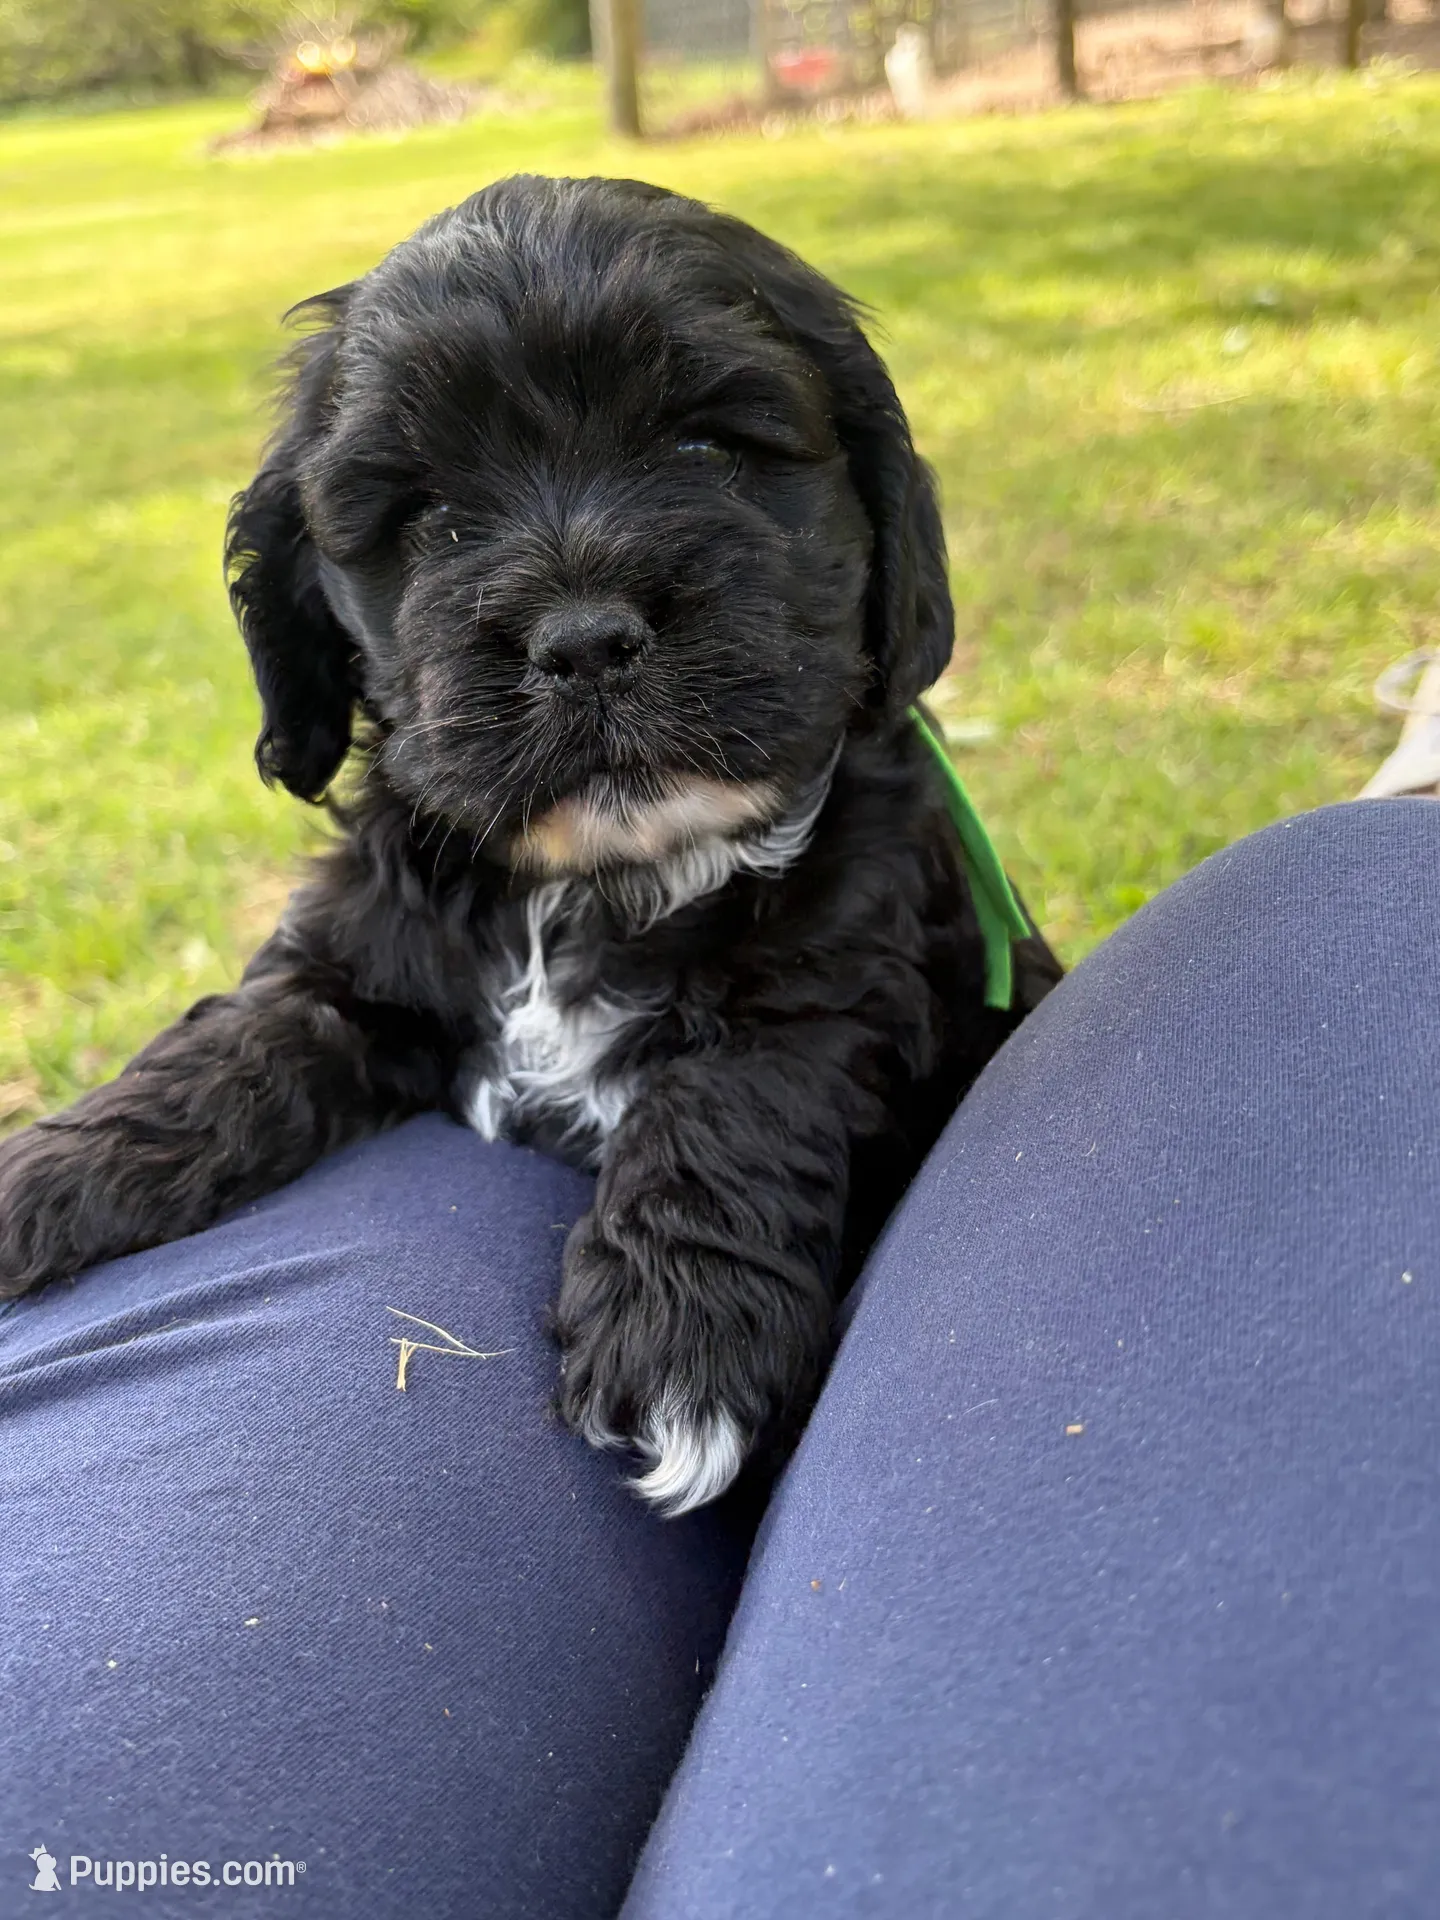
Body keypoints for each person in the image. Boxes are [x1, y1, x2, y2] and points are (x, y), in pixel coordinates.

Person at [4, 797, 1438, 1918]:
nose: (585, 613)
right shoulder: (403, 894)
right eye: (437, 531)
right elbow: (329, 1015)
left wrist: (725, 1184)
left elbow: (848, 1014)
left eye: (724, 491)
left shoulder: (849, 862)